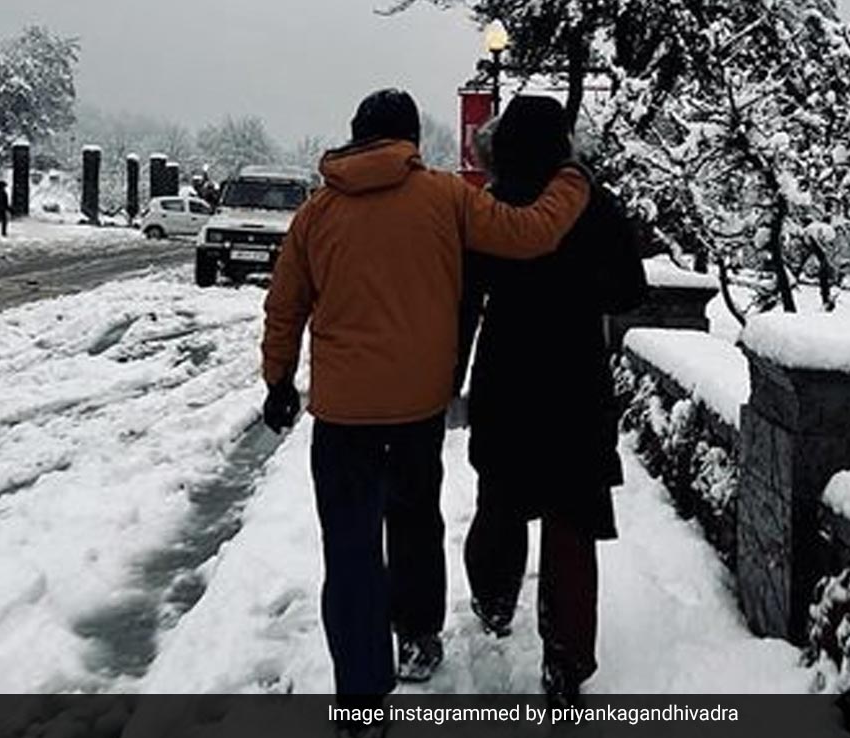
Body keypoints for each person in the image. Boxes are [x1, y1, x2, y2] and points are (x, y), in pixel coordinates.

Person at [260, 89, 591, 704]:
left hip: (343, 413)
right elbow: (531, 233)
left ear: (356, 134)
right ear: (411, 141)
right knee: (414, 520)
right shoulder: (446, 197)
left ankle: (361, 693)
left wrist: (278, 379)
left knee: (351, 550)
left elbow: (285, 307)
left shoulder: (316, 213)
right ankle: (416, 636)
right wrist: (570, 177)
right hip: (416, 407)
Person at [457, 96, 648, 703]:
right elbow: (629, 293)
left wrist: (450, 376)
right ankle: (566, 659)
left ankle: (493, 600)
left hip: (506, 378)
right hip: (574, 380)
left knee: (501, 500)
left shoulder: (494, 207)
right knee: (571, 518)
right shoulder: (595, 203)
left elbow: (465, 298)